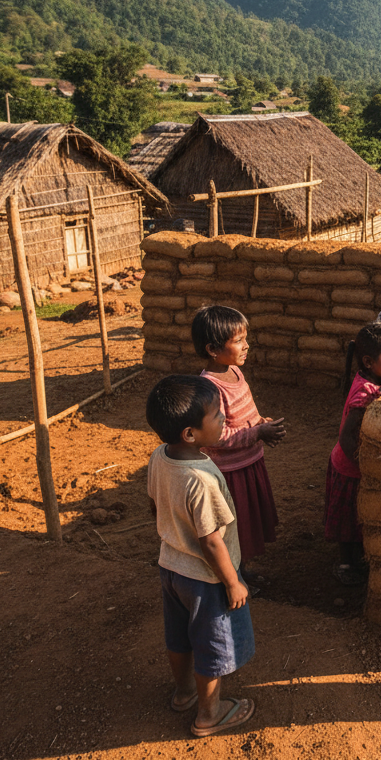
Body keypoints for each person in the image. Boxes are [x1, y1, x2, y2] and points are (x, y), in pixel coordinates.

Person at [146, 374, 256, 738]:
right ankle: (210, 714)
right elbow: (211, 542)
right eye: (216, 415)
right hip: (206, 579)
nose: (224, 418)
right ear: (190, 433)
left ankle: (183, 694)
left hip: (170, 567)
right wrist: (233, 581)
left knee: (178, 637)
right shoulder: (201, 478)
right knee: (212, 644)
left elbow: (153, 505)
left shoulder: (159, 457)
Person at [191, 306, 286, 579]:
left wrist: (259, 423)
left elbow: (244, 412)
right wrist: (258, 433)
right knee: (235, 526)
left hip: (249, 462)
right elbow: (216, 436)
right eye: (239, 341)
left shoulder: (234, 371)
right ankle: (234, 575)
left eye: (246, 338)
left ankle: (241, 569)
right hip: (230, 472)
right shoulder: (210, 388)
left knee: (246, 522)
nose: (247, 346)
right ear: (212, 349)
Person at [325, 323, 381, 585]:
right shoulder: (365, 392)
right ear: (369, 361)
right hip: (349, 467)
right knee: (348, 521)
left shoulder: (374, 380)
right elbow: (347, 437)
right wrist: (363, 465)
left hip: (354, 464)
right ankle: (345, 564)